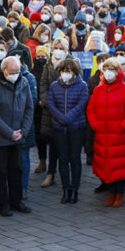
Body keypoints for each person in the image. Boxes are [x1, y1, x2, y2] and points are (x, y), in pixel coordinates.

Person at [0, 55, 36, 215]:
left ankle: (16, 201)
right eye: (12, 72)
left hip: (18, 136)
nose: (15, 74)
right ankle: (3, 205)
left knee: (16, 170)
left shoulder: (23, 82)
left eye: (18, 71)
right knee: (1, 172)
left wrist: (23, 132)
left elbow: (29, 108)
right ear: (4, 71)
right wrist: (9, 133)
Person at [87, 55, 125, 208]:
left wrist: (123, 125)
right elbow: (91, 110)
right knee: (107, 165)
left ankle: (119, 194)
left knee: (120, 166)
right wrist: (96, 125)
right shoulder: (98, 90)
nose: (109, 72)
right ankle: (111, 193)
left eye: (112, 69)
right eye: (106, 69)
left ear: (118, 72)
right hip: (103, 134)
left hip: (120, 135)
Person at [43, 55, 88, 205]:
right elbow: (51, 103)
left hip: (77, 127)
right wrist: (61, 118)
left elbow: (81, 104)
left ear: (75, 72)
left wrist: (68, 118)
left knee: (75, 159)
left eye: (69, 70)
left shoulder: (82, 86)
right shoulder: (55, 86)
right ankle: (65, 189)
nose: (66, 73)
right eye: (63, 70)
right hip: (59, 128)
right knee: (62, 159)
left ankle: (75, 189)